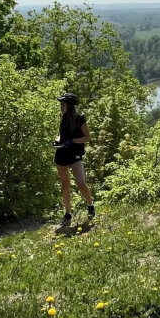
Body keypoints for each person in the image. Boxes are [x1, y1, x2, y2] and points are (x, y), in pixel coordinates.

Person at [54, 93, 95, 228]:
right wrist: (57, 140)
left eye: (63, 104)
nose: (61, 107)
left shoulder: (80, 119)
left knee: (81, 182)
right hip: (61, 153)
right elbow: (61, 134)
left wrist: (73, 141)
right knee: (65, 185)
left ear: (69, 106)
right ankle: (67, 214)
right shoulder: (63, 118)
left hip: (75, 154)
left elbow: (87, 137)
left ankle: (90, 205)